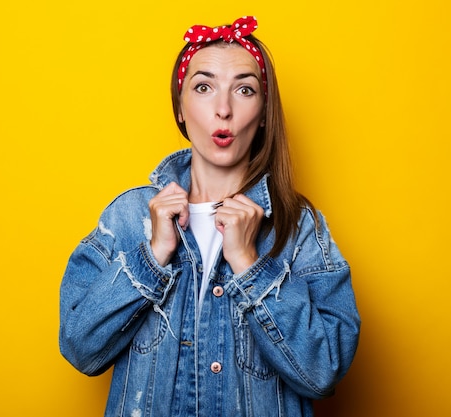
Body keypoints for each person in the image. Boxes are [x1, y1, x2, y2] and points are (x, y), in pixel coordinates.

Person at [59, 16, 360, 417]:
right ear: (180, 109)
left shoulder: (299, 228)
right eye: (204, 87)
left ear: (265, 113)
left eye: (245, 89)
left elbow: (322, 373)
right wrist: (152, 256)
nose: (224, 110)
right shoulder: (130, 216)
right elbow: (80, 348)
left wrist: (249, 264)